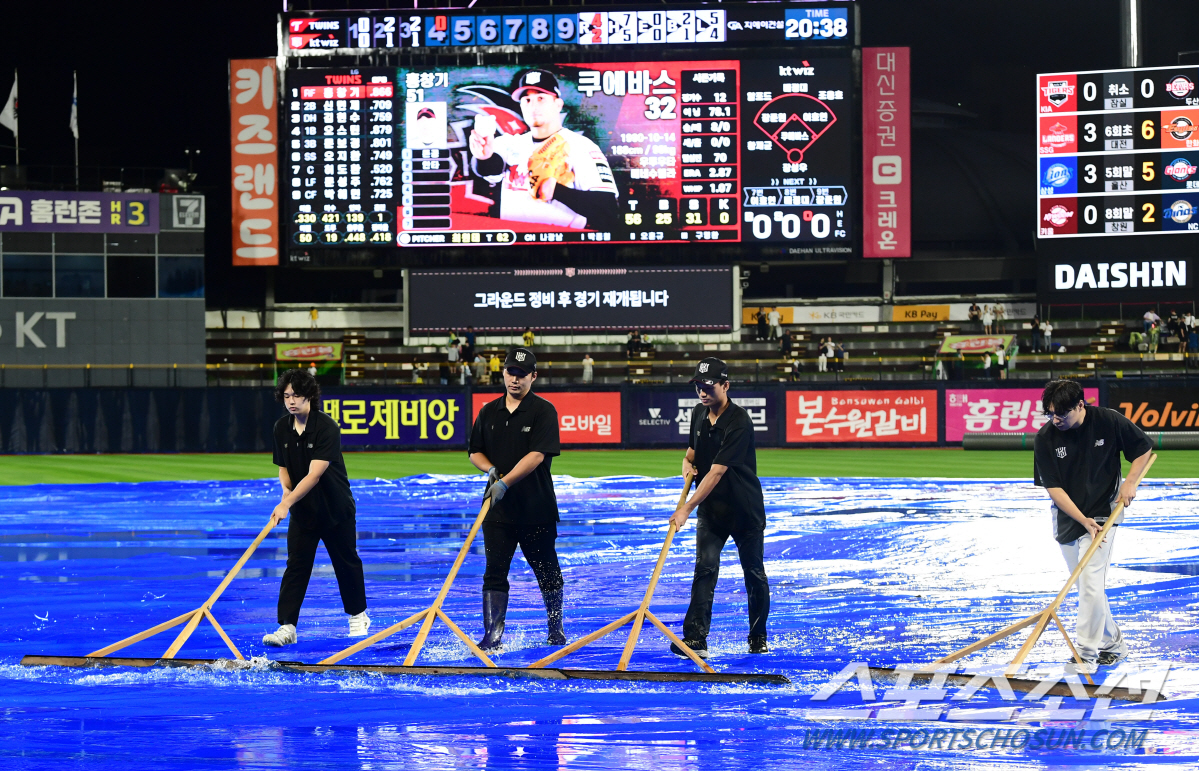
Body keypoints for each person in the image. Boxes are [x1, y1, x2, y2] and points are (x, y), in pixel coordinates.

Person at [1033, 379, 1153, 672]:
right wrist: (1080, 519)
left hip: (1103, 515)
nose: (1056, 419)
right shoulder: (1045, 437)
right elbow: (1054, 489)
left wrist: (1130, 482)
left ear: (1080, 405)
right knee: (1092, 588)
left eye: (1062, 414)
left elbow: (1143, 450)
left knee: (1089, 585)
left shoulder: (1108, 421)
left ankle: (1085, 655)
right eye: (1050, 414)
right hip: (1069, 518)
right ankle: (1114, 644)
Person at [671, 357, 770, 658]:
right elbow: (691, 455)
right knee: (704, 569)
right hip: (713, 512)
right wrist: (687, 465)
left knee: (753, 573)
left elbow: (716, 471)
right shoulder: (699, 416)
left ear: (725, 386)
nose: (702, 392)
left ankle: (757, 638)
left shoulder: (739, 421)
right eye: (699, 386)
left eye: (709, 386)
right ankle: (696, 640)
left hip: (744, 510)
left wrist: (686, 507)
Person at [468, 348, 565, 651]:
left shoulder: (543, 411)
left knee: (547, 570)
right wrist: (491, 470)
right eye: (510, 372)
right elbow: (475, 452)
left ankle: (555, 628)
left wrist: (505, 482)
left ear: (533, 376)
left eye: (522, 375)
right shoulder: (489, 411)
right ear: (504, 373)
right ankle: (492, 634)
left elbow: (537, 455)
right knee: (494, 571)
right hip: (498, 511)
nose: (515, 379)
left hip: (536, 507)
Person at [263, 369, 369, 647]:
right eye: (287, 396)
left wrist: (286, 502)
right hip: (304, 511)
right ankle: (287, 626)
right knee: (296, 566)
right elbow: (284, 470)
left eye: (297, 395)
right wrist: (286, 494)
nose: (291, 401)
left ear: (309, 396)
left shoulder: (327, 427)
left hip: (335, 509)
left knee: (345, 563)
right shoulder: (280, 428)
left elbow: (313, 475)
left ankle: (358, 616)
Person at [468, 69, 619, 232]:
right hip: (514, 247)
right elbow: (489, 170)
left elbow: (608, 210)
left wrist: (558, 192)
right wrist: (484, 157)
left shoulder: (580, 146)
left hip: (562, 246)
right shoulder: (508, 143)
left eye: (541, 98)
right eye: (527, 100)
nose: (533, 106)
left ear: (558, 104)